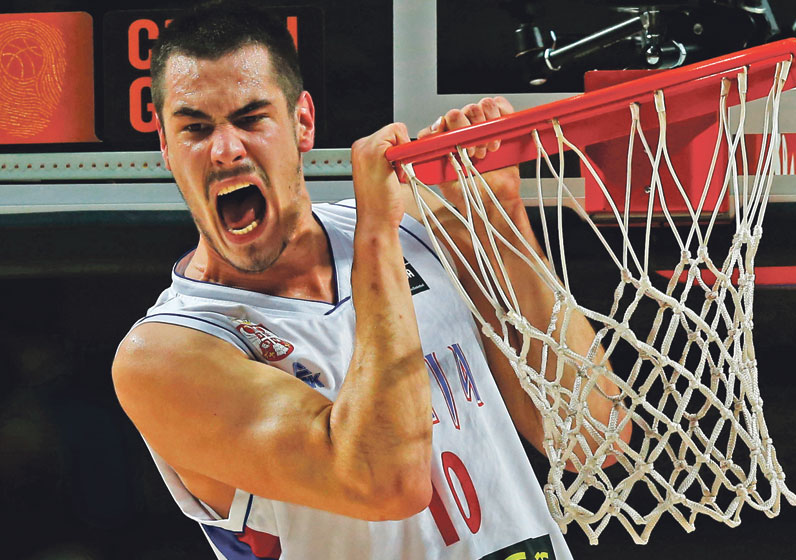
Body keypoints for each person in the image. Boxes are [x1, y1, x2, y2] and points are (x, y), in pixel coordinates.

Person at [112, 3, 628, 559]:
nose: (226, 149)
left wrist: (499, 213)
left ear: (302, 122)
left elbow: (594, 437)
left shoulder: (416, 227)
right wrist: (376, 235)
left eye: (251, 119)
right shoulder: (163, 357)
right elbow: (386, 483)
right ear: (165, 147)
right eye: (195, 128)